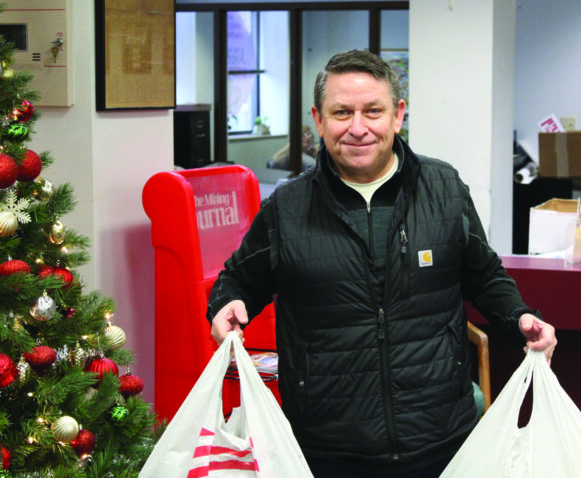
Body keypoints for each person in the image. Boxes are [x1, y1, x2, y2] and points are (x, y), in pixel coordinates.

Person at [207, 49, 557, 478]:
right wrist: (225, 304)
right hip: (327, 448)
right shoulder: (287, 207)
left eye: (373, 111)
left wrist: (519, 317)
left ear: (397, 116)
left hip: (441, 439)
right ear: (318, 120)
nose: (358, 128)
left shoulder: (443, 188)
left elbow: (484, 277)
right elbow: (237, 280)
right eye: (342, 112)